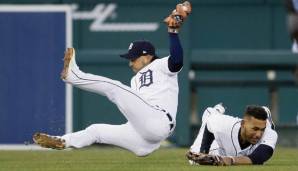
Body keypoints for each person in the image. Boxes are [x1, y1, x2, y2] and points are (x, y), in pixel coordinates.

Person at [33, 2, 191, 156]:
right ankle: (64, 141)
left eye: (133, 58)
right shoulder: (135, 80)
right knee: (96, 131)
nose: (130, 63)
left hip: (160, 119)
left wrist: (172, 32)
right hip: (143, 135)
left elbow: (177, 60)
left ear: (147, 56)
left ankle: (75, 76)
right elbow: (136, 109)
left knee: (114, 88)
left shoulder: (160, 65)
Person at [186, 103, 278, 166]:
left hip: (235, 153)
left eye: (262, 130)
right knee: (195, 161)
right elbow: (209, 123)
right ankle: (214, 111)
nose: (259, 134)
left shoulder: (269, 134)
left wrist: (231, 160)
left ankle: (265, 113)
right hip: (218, 134)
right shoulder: (224, 125)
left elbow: (258, 158)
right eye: (255, 129)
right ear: (242, 124)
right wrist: (203, 152)